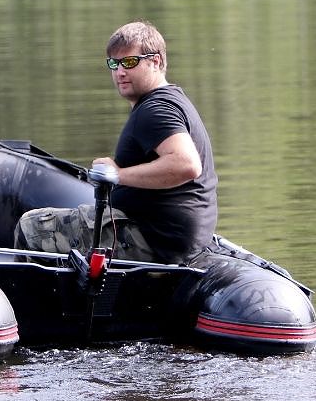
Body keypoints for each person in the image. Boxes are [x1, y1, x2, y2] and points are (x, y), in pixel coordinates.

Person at [14, 21, 218, 264]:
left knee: (32, 227)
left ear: (157, 62)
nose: (120, 72)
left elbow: (186, 165)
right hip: (170, 236)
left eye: (130, 62)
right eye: (114, 63)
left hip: (156, 239)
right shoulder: (169, 100)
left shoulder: (156, 109)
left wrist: (118, 174)